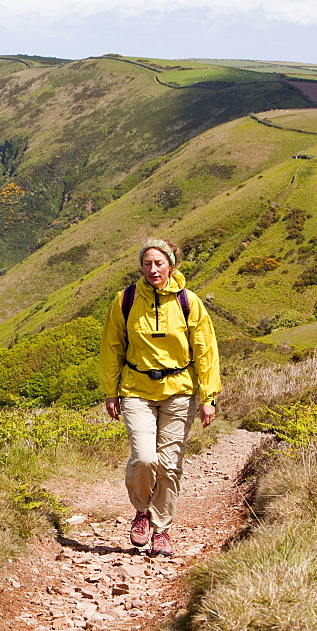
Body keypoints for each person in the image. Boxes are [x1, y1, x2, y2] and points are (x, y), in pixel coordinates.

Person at [98, 238, 220, 557]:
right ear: (141, 265)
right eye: (147, 263)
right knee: (144, 458)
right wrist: (111, 391)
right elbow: (113, 347)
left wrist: (209, 397)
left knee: (169, 465)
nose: (153, 269)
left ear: (171, 265)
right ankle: (141, 511)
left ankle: (161, 527)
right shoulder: (125, 300)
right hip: (137, 388)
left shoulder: (188, 302)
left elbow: (205, 352)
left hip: (179, 390)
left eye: (159, 263)